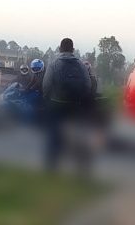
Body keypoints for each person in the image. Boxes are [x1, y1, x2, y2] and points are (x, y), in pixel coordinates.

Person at [42, 38, 91, 171]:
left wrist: (47, 99)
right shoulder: (80, 65)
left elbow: (46, 85)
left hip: (56, 104)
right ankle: (81, 168)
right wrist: (81, 100)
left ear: (60, 49)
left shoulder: (54, 64)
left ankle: (51, 168)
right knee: (76, 136)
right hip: (74, 106)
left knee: (54, 135)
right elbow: (88, 85)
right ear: (73, 50)